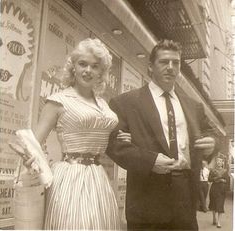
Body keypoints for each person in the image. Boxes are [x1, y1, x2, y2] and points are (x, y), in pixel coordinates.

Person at [106, 39, 216, 231]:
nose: (170, 67)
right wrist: (150, 161)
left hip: (186, 201)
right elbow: (114, 145)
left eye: (176, 63)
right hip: (147, 201)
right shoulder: (126, 103)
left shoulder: (193, 106)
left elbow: (210, 134)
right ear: (150, 66)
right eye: (164, 62)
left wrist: (212, 144)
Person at [23, 38, 122, 230]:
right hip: (70, 177)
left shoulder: (102, 103)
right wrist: (39, 164)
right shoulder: (59, 100)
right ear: (73, 67)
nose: (88, 70)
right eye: (82, 64)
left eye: (95, 66)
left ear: (101, 72)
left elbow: (100, 134)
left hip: (98, 178)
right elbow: (32, 143)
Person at [208, 153, 228, 228]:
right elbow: (209, 179)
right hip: (214, 189)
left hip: (221, 190)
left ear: (223, 162)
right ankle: (214, 218)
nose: (219, 162)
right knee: (213, 204)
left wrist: (223, 180)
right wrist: (215, 179)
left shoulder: (225, 171)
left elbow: (227, 181)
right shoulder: (213, 170)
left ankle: (219, 222)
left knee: (220, 205)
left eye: (220, 161)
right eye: (218, 161)